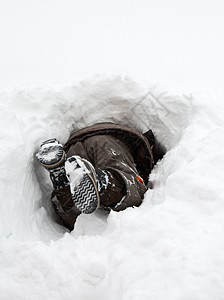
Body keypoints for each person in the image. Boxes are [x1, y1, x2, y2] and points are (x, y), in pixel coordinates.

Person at [36, 122, 157, 231]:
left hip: (71, 152)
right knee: (133, 188)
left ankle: (60, 177)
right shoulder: (133, 147)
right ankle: (100, 183)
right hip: (101, 143)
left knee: (74, 215)